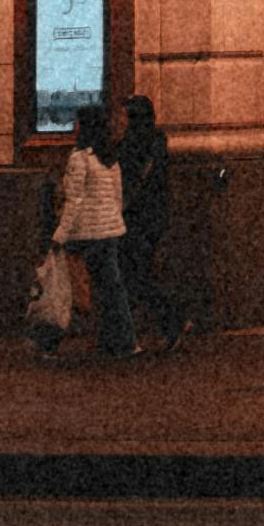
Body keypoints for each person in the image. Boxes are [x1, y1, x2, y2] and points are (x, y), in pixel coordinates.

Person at [50, 111, 135, 366]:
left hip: (87, 231)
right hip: (110, 230)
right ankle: (119, 340)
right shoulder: (110, 158)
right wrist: (113, 219)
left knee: (67, 287)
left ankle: (52, 339)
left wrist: (60, 235)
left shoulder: (79, 158)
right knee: (111, 288)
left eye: (77, 123)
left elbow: (73, 202)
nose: (74, 127)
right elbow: (118, 196)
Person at [111, 86, 176, 350]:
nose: (119, 120)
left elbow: (134, 180)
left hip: (138, 217)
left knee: (135, 274)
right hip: (150, 215)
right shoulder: (154, 142)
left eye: (124, 116)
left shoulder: (133, 146)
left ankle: (170, 319)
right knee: (136, 273)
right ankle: (158, 321)